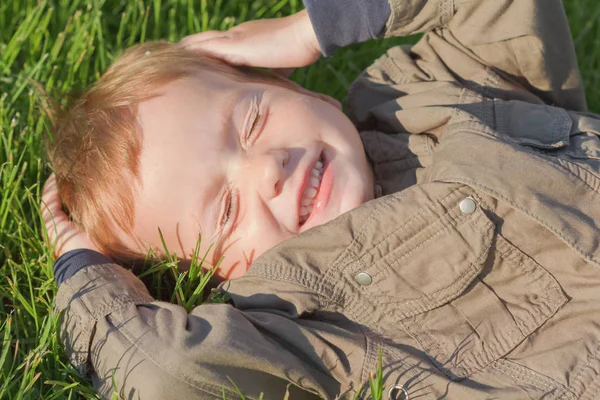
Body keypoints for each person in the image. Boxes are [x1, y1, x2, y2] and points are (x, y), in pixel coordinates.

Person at [41, 0, 600, 399]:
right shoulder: (296, 326)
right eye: (228, 210)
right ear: (213, 277)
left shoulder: (422, 99)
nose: (268, 167)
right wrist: (84, 273)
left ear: (297, 87)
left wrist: (313, 26)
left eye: (253, 118)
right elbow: (164, 374)